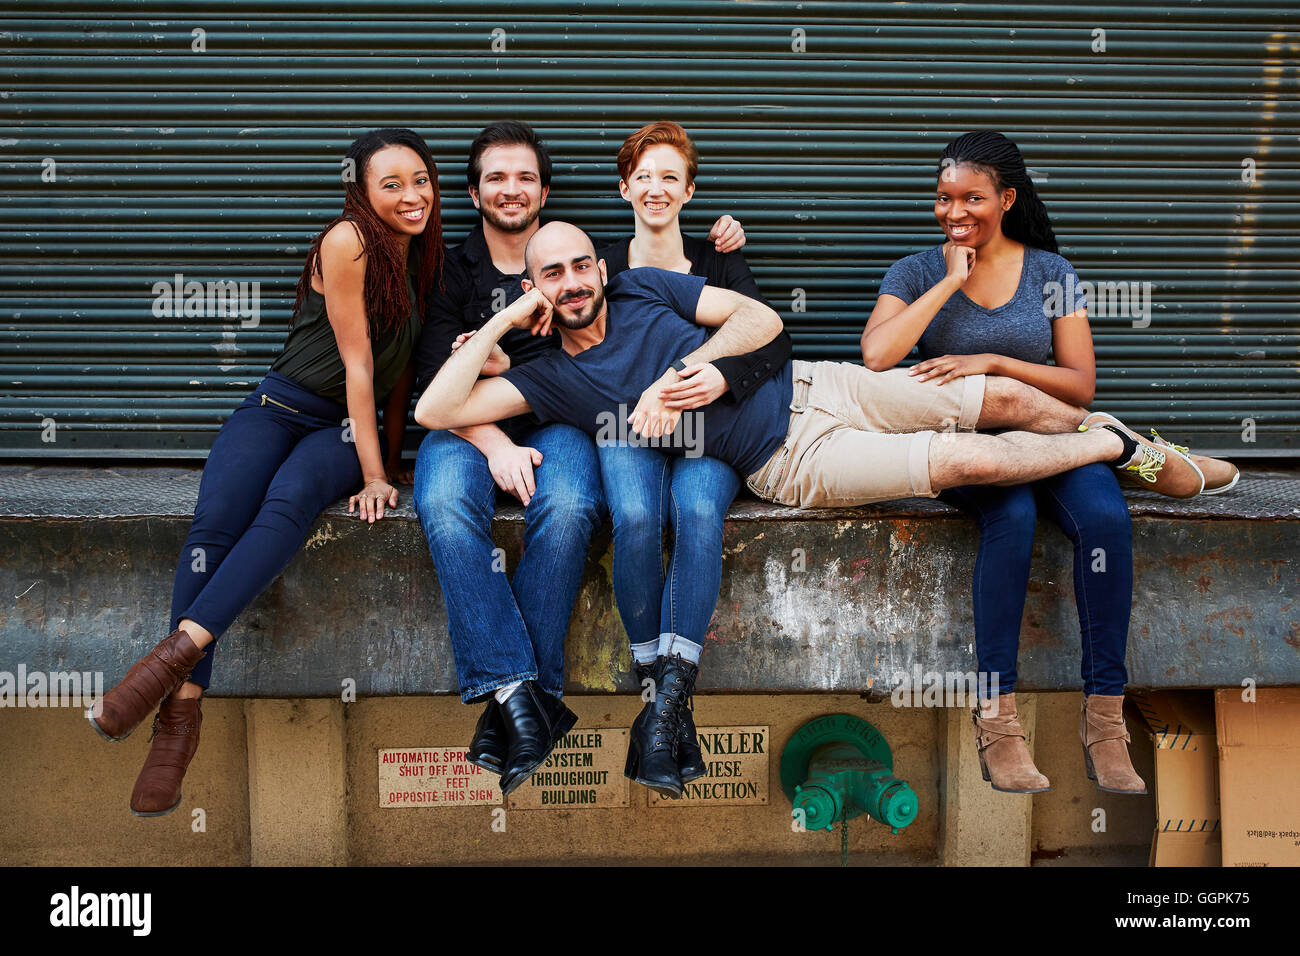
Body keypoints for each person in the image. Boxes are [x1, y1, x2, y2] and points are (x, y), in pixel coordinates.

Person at [414, 220, 1234, 756]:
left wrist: (705, 369)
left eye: (579, 264)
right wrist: (498, 324)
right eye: (550, 275)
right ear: (539, 291)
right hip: (791, 461)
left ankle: (1127, 445)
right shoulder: (554, 378)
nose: (572, 281)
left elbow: (761, 320)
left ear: (601, 264)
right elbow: (434, 407)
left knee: (1010, 402)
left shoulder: (645, 286)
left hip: (822, 386)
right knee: (963, 463)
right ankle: (1109, 443)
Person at [860, 131, 1238, 795]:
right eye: (944, 198)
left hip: (1053, 437)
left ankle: (1105, 721)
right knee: (1009, 520)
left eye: (971, 198)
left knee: (1104, 520)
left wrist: (996, 361)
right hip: (973, 449)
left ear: (1005, 198)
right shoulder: (916, 271)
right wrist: (951, 278)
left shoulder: (1052, 274)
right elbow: (878, 356)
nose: (954, 212)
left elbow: (1080, 384)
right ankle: (998, 721)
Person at [90, 128, 441, 815]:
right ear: (362, 193)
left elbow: (394, 379)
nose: (411, 195)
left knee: (289, 502)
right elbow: (359, 363)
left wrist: (384, 465)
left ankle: (164, 669)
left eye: (421, 180)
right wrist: (376, 472)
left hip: (342, 429)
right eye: (391, 184)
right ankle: (180, 716)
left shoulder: (425, 260)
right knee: (214, 525)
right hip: (278, 407)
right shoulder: (348, 240)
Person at [408, 121, 748, 796]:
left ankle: (526, 706)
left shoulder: (584, 261)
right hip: (472, 428)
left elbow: (696, 312)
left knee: (568, 507)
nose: (511, 189)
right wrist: (496, 442)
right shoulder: (450, 271)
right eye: (496, 178)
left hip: (560, 424)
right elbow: (435, 391)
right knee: (445, 504)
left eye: (526, 177)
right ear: (473, 193)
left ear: (545, 190)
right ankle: (518, 693)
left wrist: (718, 244)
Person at [594, 121, 792, 796]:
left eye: (669, 177)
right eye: (643, 176)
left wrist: (720, 379)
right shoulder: (602, 269)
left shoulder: (720, 262)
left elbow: (769, 348)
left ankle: (662, 709)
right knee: (636, 517)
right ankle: (666, 703)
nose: (656, 188)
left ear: (689, 190)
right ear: (624, 188)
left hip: (718, 433)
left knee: (700, 510)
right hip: (628, 428)